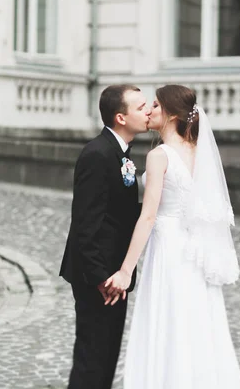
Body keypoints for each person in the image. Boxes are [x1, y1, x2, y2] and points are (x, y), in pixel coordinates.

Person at [104, 84, 240, 388]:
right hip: (193, 250)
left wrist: (126, 269)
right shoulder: (198, 151)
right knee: (196, 322)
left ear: (169, 114)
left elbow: (149, 215)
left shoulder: (160, 155)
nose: (149, 110)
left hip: (169, 247)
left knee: (168, 321)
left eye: (155, 105)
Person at [59, 84, 149, 389]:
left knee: (106, 357)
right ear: (121, 118)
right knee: (91, 359)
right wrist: (100, 278)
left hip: (115, 276)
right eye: (140, 107)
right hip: (96, 277)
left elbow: (118, 215)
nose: (147, 110)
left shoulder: (120, 153)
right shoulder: (97, 154)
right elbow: (86, 223)